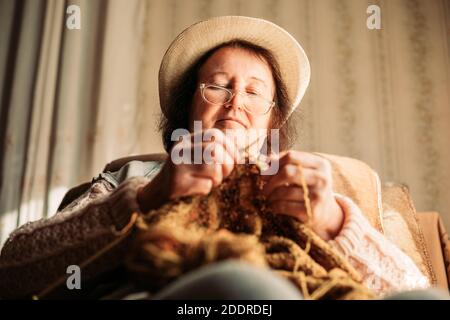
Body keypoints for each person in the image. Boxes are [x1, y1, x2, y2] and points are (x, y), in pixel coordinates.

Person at [0, 15, 442, 300]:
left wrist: (331, 221)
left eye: (254, 93)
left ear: (273, 120)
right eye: (218, 87)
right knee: (246, 288)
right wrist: (151, 197)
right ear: (187, 107)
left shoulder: (314, 190)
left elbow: (409, 287)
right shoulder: (132, 178)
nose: (235, 105)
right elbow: (14, 270)